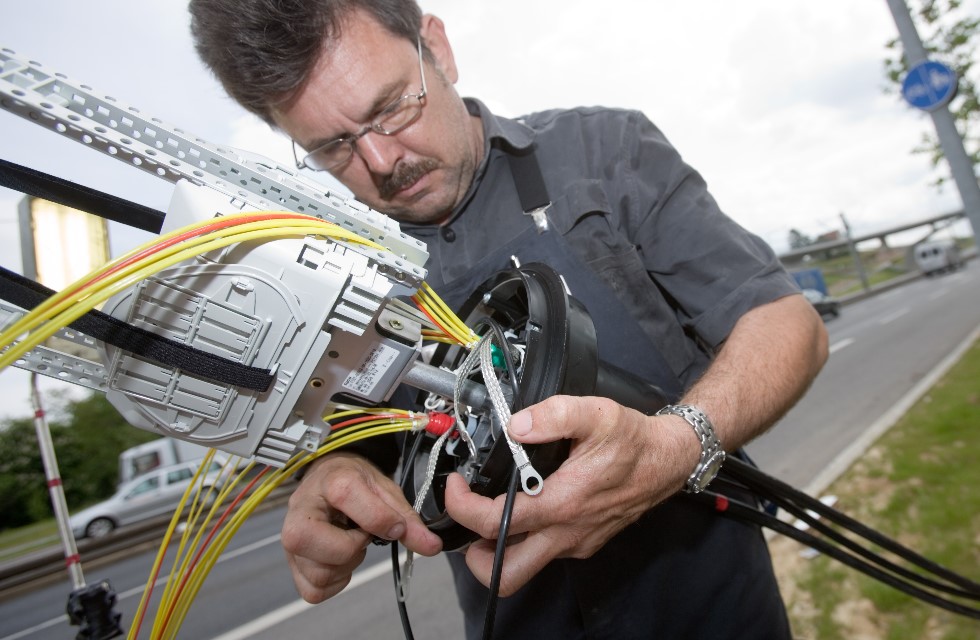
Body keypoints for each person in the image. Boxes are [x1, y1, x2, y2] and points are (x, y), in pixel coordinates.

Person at [188, 1, 829, 637]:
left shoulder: (606, 153)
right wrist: (331, 481)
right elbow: (370, 444)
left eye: (390, 108)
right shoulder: (335, 277)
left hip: (715, 607)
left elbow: (785, 323)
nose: (383, 162)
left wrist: (674, 447)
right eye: (332, 146)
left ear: (436, 49)